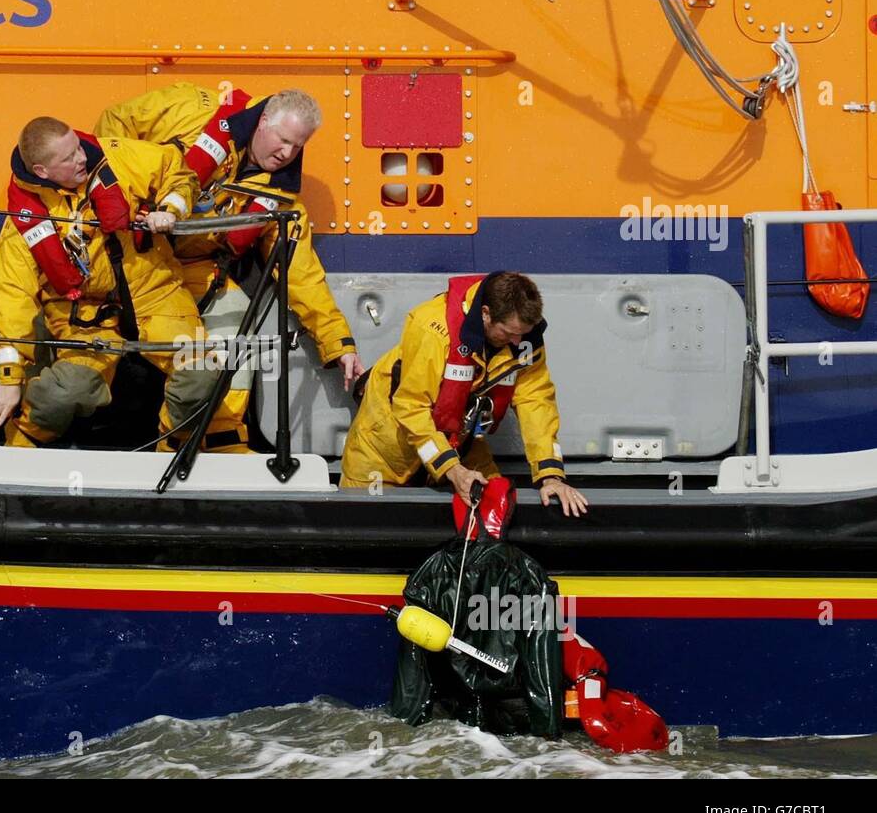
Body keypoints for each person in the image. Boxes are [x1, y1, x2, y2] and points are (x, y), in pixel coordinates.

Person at [94, 83, 363, 452]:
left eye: (297, 146)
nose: (287, 153)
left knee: (237, 326)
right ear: (263, 119)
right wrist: (114, 196)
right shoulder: (192, 109)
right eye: (283, 139)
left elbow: (302, 276)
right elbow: (116, 123)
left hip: (194, 270)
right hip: (133, 253)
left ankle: (214, 436)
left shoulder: (281, 202)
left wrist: (338, 343)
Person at [0, 116, 217, 448]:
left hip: (155, 292)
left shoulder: (120, 159)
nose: (81, 158)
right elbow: (11, 298)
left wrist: (171, 209)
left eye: (78, 147)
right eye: (68, 157)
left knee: (201, 372)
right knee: (63, 394)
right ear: (41, 171)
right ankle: (19, 452)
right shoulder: (22, 226)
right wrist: (10, 379)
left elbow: (177, 173)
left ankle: (174, 451)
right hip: (84, 317)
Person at [340, 271, 588, 517]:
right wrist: (452, 469)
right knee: (369, 529)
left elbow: (536, 402)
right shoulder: (432, 329)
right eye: (509, 332)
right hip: (386, 452)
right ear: (485, 313)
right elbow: (410, 407)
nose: (517, 341)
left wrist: (551, 476)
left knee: (498, 507)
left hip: (461, 444)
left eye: (523, 333)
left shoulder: (525, 338)